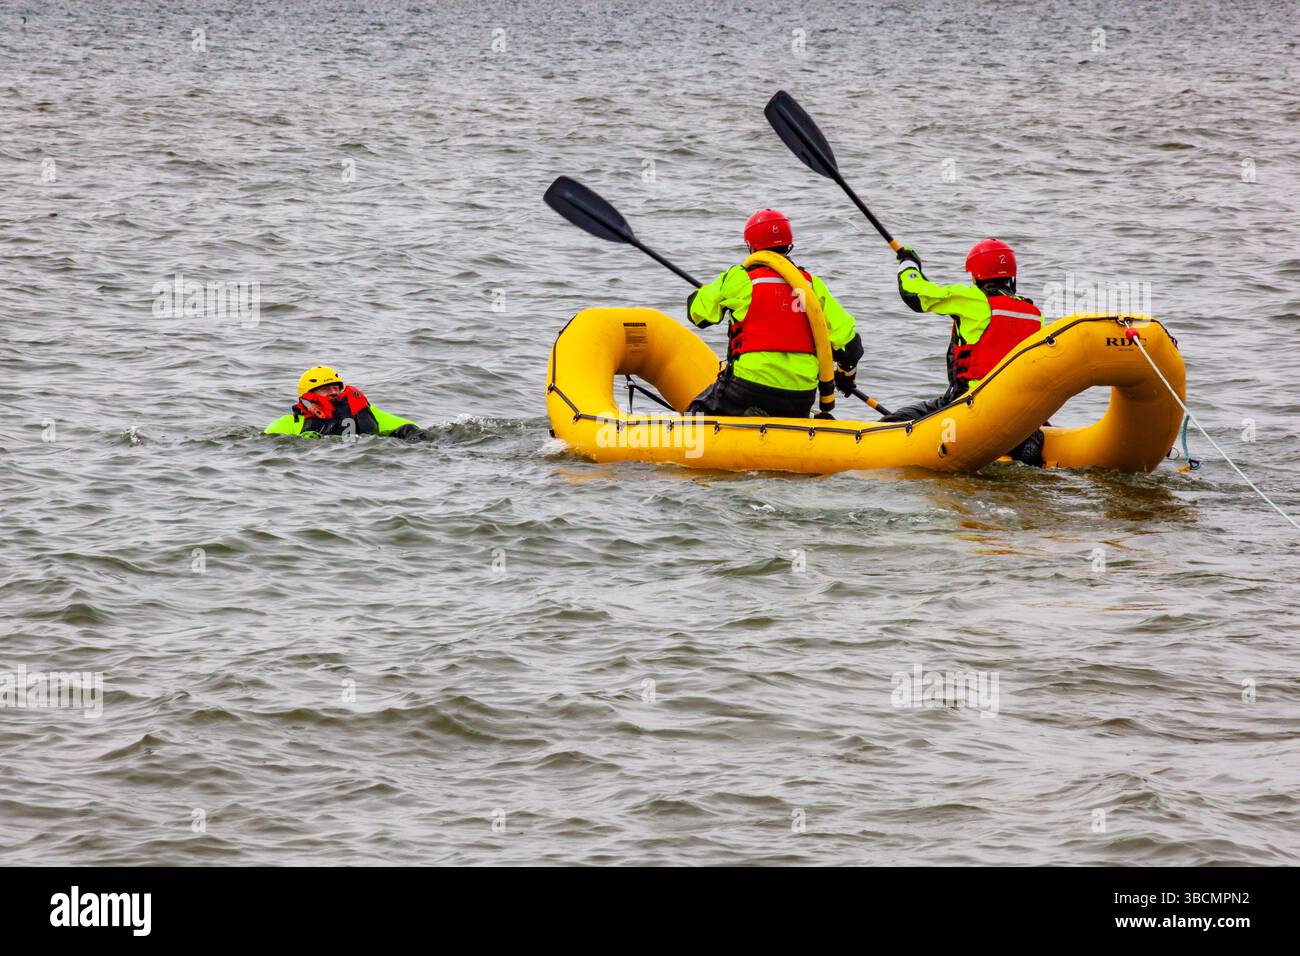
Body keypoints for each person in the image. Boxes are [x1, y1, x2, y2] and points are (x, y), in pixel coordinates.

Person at [685, 209, 864, 419]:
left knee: (696, 411)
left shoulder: (740, 278)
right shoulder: (812, 286)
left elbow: (698, 314)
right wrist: (846, 376)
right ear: (789, 245)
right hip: (801, 396)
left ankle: (748, 421)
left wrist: (709, 293)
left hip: (747, 388)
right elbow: (850, 347)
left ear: (751, 246)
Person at [881, 238, 1046, 465]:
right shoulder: (1033, 313)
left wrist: (908, 265)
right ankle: (1026, 442)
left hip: (969, 407)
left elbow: (914, 294)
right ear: (1011, 275)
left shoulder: (972, 299)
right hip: (1019, 412)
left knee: (891, 423)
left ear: (976, 275)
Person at [264, 366, 437, 440]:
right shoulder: (290, 423)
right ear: (308, 394)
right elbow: (267, 442)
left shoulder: (362, 411)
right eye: (325, 388)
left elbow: (409, 426)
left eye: (336, 387)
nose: (333, 392)